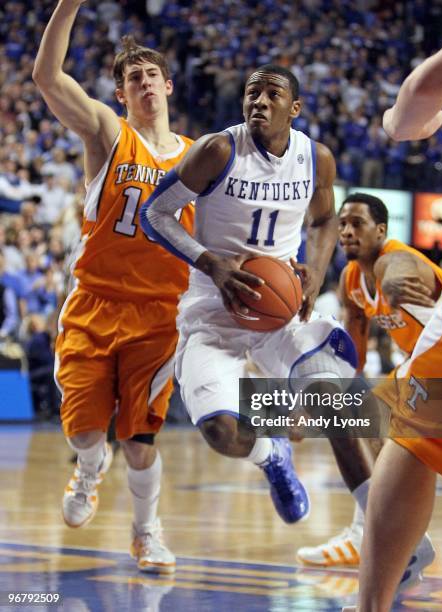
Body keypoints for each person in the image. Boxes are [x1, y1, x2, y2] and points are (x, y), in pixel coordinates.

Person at [140, 64, 357, 524]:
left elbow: (323, 220)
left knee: (333, 391)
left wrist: (316, 273)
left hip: (281, 305)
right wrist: (209, 262)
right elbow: (155, 213)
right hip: (214, 306)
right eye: (251, 92)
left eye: (272, 94)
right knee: (221, 431)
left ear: (294, 108)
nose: (258, 101)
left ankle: (369, 519)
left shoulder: (316, 158)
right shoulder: (217, 150)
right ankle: (270, 450)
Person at [33, 0, 195, 573]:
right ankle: (86, 468)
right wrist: (69, 4)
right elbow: (47, 77)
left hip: (159, 315)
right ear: (122, 94)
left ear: (169, 86)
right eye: (133, 77)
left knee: (140, 440)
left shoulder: (201, 158)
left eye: (152, 73)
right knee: (84, 433)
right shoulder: (106, 129)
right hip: (95, 303)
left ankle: (146, 533)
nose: (143, 81)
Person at [344, 14, 442, 612]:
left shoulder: (397, 262)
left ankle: (370, 603)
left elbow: (423, 90)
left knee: (408, 427)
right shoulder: (356, 281)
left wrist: (405, 123)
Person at [297, 193, 442, 581]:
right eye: (343, 224)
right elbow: (351, 357)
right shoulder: (352, 279)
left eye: (358, 224)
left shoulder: (393, 261)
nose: (347, 231)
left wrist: (401, 283)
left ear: (382, 230)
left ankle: (392, 539)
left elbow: (401, 271)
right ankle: (370, 536)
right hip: (434, 376)